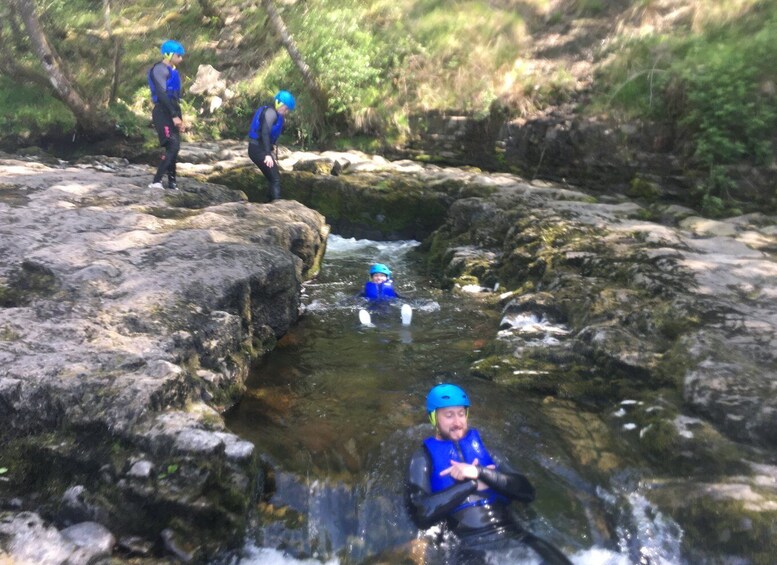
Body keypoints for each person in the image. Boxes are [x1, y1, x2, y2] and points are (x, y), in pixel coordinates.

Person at [406, 384, 572, 564]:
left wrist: (479, 472)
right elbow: (421, 513)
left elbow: (527, 491)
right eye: (449, 415)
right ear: (433, 417)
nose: (457, 422)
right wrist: (471, 484)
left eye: (461, 414)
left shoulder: (483, 448)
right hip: (469, 545)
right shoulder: (423, 457)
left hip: (513, 533)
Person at [148, 40, 186, 190]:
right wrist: (173, 116)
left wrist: (179, 117)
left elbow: (174, 98)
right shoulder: (159, 69)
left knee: (175, 148)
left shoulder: (173, 71)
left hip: (173, 110)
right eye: (178, 55)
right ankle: (156, 181)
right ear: (169, 55)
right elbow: (162, 95)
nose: (181, 59)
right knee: (172, 145)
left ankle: (172, 183)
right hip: (162, 112)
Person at [247, 90, 296, 202]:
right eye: (286, 108)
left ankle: (269, 203)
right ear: (279, 104)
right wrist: (267, 155)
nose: (286, 111)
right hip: (257, 150)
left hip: (258, 149)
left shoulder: (274, 112)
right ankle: (276, 205)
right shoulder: (270, 113)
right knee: (275, 179)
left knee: (272, 177)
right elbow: (264, 132)